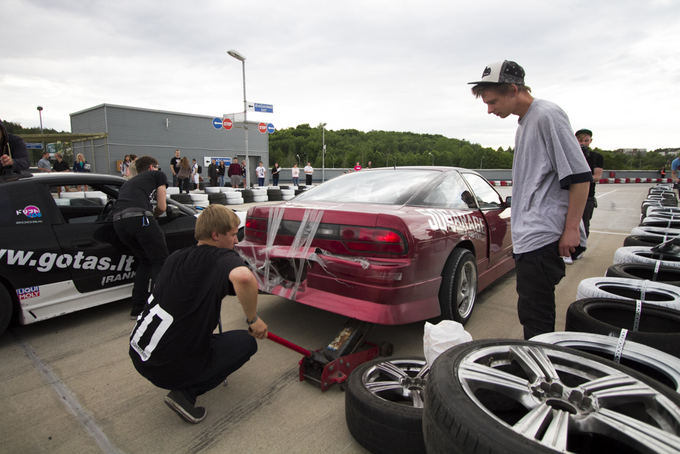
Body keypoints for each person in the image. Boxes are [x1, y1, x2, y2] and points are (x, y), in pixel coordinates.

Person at [469, 60, 590, 340]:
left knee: (536, 316)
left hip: (542, 235)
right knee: (531, 310)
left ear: (513, 89)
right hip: (529, 235)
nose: (489, 109)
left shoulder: (547, 115)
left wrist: (572, 229)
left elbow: (580, 177)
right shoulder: (525, 122)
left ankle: (541, 375)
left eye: (493, 101)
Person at [129, 204, 268, 424]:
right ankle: (185, 394)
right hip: (165, 366)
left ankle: (183, 371)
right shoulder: (222, 258)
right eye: (233, 234)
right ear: (215, 235)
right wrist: (253, 319)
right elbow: (244, 278)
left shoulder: (176, 257)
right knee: (245, 343)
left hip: (140, 353)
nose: (236, 241)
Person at [112, 156, 169, 318]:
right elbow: (162, 206)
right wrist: (155, 215)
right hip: (140, 218)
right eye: (157, 166)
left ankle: (137, 308)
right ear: (151, 167)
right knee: (160, 261)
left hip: (118, 223)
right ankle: (159, 307)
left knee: (145, 261)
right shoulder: (158, 175)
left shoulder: (129, 183)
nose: (158, 169)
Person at [574, 128, 603, 243]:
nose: (583, 143)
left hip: (587, 196)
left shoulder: (596, 157)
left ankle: (580, 247)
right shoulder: (569, 155)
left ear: (590, 141)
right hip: (568, 194)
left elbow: (597, 176)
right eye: (580, 141)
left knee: (584, 223)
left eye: (586, 141)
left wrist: (579, 178)